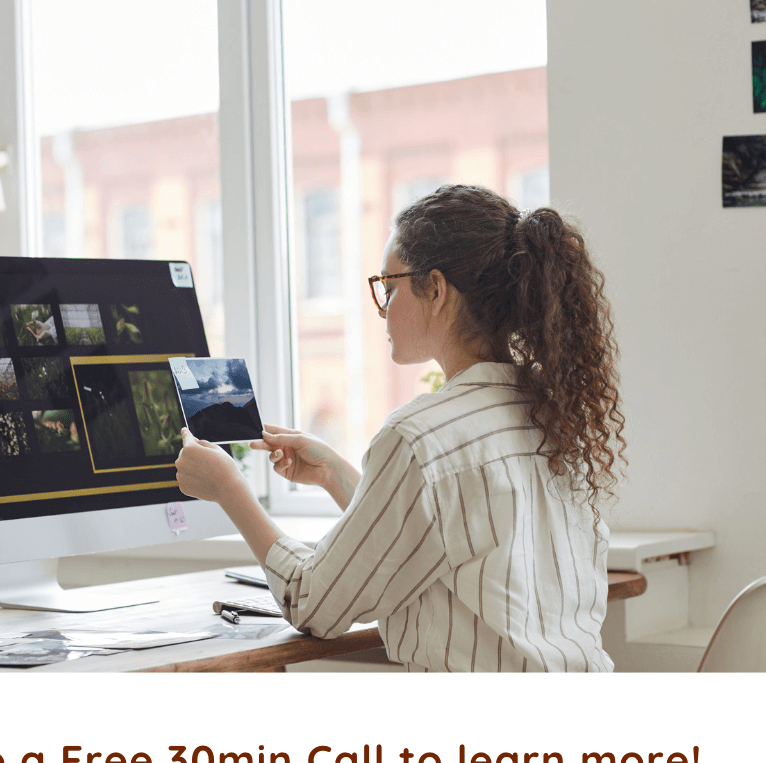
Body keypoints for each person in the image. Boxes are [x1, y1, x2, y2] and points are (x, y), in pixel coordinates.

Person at [175, 183, 625, 672]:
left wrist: (229, 489)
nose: (383, 308)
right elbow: (444, 530)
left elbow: (312, 603)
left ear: (436, 289)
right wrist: (336, 476)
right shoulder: (554, 413)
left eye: (388, 288)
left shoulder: (421, 436)